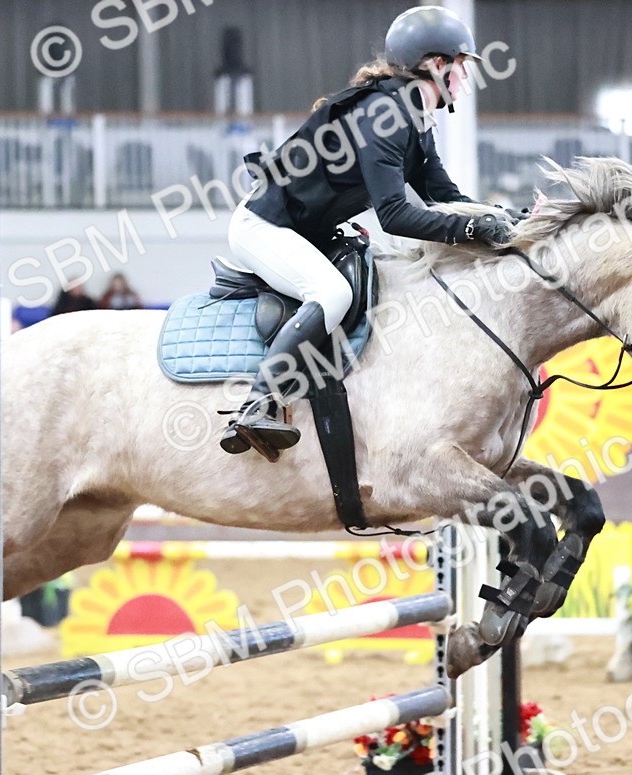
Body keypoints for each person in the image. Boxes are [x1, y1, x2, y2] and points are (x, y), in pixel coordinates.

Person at [220, 5, 520, 457]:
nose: (464, 78)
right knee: (333, 293)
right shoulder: (385, 114)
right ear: (435, 64)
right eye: (460, 65)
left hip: (302, 231)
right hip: (262, 227)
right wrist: (474, 226)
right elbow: (395, 216)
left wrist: (508, 220)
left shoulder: (415, 118)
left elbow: (443, 196)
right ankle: (257, 402)